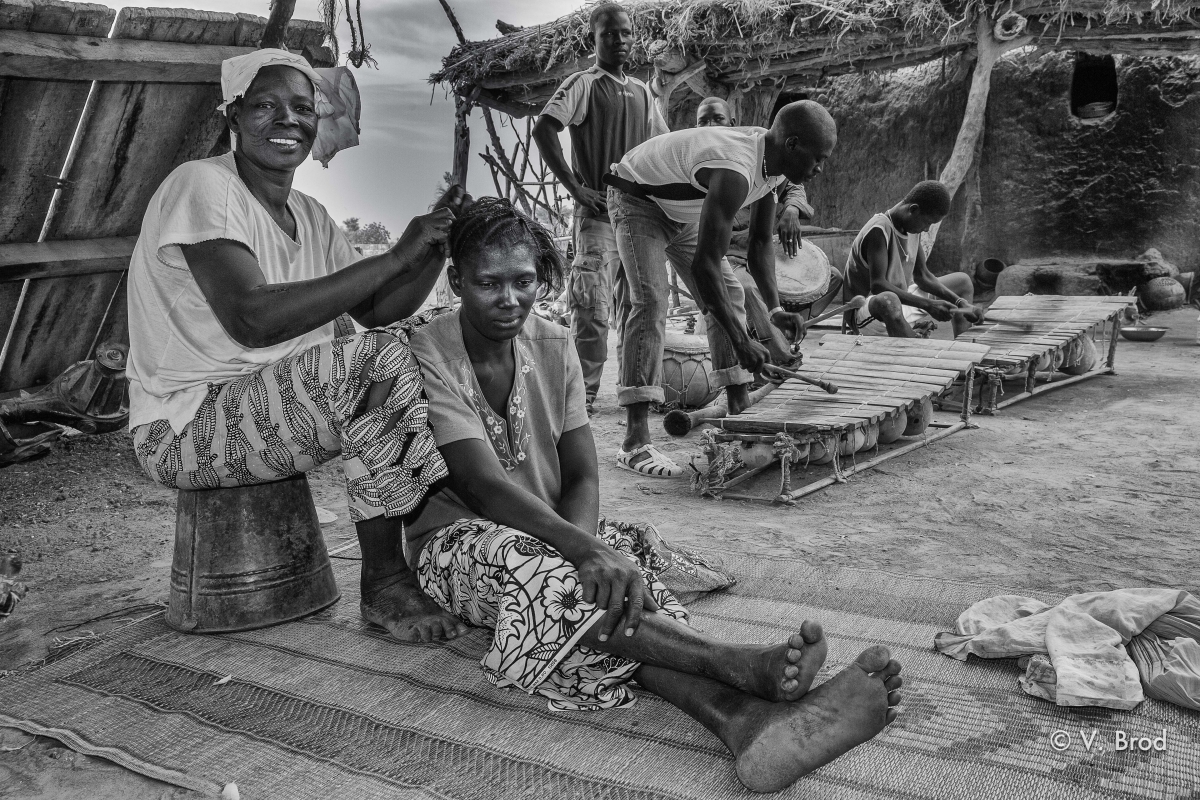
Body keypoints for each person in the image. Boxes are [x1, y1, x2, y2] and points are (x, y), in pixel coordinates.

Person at [406, 197, 903, 792]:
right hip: (458, 544)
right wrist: (578, 551)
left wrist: (587, 546)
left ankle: (744, 723)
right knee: (564, 580)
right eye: (488, 283)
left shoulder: (556, 345)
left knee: (615, 583)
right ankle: (731, 662)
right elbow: (481, 486)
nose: (510, 298)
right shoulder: (430, 349)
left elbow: (584, 473)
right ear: (456, 279)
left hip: (555, 528)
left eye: (524, 281)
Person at [126, 49, 470, 644]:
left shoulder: (310, 215)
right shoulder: (202, 185)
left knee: (419, 345)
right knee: (375, 363)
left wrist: (430, 245)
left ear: (317, 123)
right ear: (233, 117)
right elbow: (252, 318)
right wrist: (393, 256)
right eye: (266, 106)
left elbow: (376, 309)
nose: (287, 120)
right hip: (184, 425)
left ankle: (455, 544)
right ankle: (386, 580)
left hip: (264, 409)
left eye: (302, 108)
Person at [606, 100, 837, 477]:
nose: (820, 168)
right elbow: (704, 266)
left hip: (679, 211)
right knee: (650, 301)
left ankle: (737, 409)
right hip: (637, 199)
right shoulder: (736, 168)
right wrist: (742, 340)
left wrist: (776, 311)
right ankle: (634, 442)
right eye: (818, 158)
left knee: (731, 293)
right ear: (792, 145)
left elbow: (761, 243)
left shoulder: (772, 168)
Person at [532, 2, 667, 415]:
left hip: (639, 220)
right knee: (590, 307)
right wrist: (575, 189)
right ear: (594, 39)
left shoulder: (645, 93)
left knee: (641, 307)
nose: (619, 40)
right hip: (598, 218)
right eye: (609, 34)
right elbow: (544, 129)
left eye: (625, 33)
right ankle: (582, 396)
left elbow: (662, 147)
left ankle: (638, 392)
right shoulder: (584, 84)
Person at [694, 96, 843, 360]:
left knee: (831, 277)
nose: (709, 126)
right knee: (746, 289)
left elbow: (791, 186)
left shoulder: (761, 154)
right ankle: (779, 354)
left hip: (761, 253)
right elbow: (708, 250)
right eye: (702, 121)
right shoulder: (712, 163)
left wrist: (792, 210)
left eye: (717, 119)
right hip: (729, 258)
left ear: (733, 123)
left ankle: (782, 327)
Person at [844, 181, 985, 337]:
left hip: (898, 305)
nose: (927, 229)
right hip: (869, 312)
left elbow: (922, 276)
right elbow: (878, 285)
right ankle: (915, 348)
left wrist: (960, 303)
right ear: (913, 210)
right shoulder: (878, 230)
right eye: (928, 222)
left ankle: (964, 350)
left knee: (962, 282)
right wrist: (929, 305)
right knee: (888, 300)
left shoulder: (911, 228)